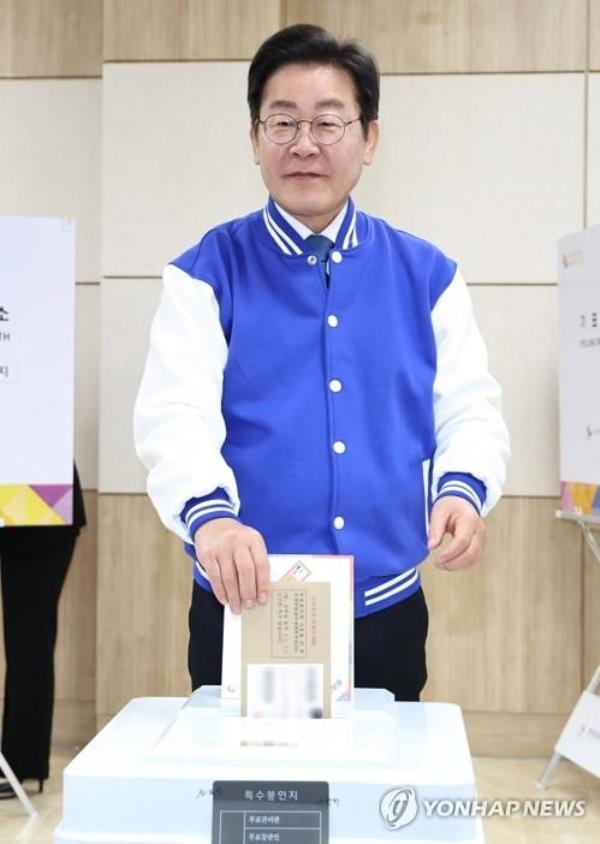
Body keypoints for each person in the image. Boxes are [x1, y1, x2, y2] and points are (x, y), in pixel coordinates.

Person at [134, 24, 509, 702]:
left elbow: (469, 408)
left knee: (373, 795)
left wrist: (462, 489)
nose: (304, 144)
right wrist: (210, 516)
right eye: (283, 122)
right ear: (254, 139)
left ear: (369, 138)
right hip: (248, 600)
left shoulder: (429, 275)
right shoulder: (204, 274)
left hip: (385, 603)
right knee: (252, 801)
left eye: (329, 123)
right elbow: (174, 417)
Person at [0, 466, 86, 799]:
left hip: (39, 506)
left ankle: (22, 764)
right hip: (31, 501)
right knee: (29, 639)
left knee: (28, 640)